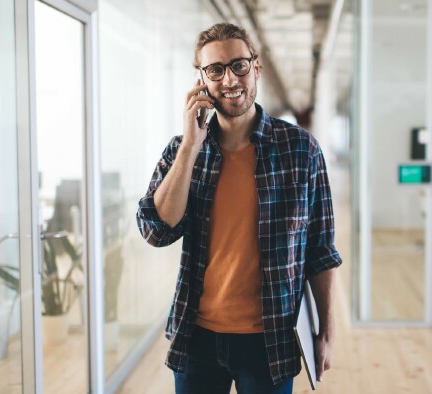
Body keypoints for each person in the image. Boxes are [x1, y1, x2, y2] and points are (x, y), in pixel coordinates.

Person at [136, 23, 342, 394]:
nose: (229, 79)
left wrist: (325, 331)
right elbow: (156, 230)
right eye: (215, 69)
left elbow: (320, 250)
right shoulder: (182, 151)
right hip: (197, 336)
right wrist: (190, 147)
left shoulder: (301, 149)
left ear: (256, 67)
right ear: (201, 80)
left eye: (239, 65)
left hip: (272, 339)